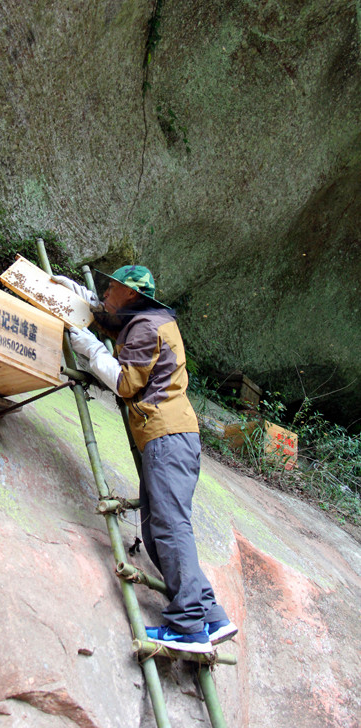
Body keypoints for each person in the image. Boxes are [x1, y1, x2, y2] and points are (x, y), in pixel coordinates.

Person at [53, 265, 237, 653]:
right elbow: (108, 319)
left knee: (170, 527)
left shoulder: (147, 328)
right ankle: (212, 616)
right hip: (169, 437)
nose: (106, 291)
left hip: (167, 438)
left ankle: (189, 626)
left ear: (132, 295)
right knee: (157, 530)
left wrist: (89, 347)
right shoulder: (146, 320)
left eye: (113, 288)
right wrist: (73, 292)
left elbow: (125, 382)